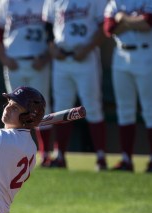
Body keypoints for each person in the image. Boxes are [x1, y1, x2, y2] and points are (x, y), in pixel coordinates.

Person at [42, 0, 109, 171]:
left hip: (86, 57)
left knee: (92, 107)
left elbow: (104, 26)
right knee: (62, 108)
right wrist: (51, 47)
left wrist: (88, 48)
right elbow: (48, 26)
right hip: (62, 58)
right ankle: (60, 155)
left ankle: (101, 157)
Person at [104, 0, 152, 174]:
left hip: (146, 54)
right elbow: (109, 28)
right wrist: (134, 21)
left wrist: (123, 18)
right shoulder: (116, 1)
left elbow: (148, 22)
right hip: (121, 54)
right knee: (124, 109)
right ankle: (126, 158)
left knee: (150, 109)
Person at [0, 0, 53, 166]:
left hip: (38, 61)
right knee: (15, 110)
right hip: (14, 61)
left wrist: (47, 56)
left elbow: (53, 29)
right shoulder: (6, 2)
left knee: (41, 108)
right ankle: (15, 152)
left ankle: (45, 153)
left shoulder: (46, 2)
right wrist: (3, 57)